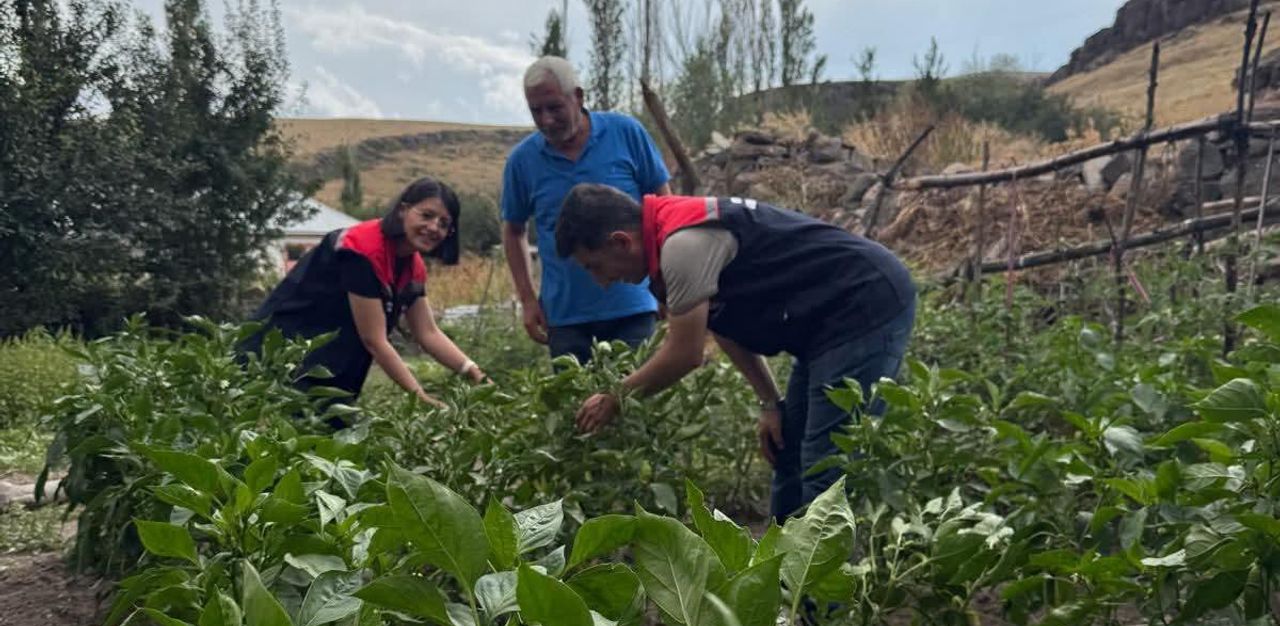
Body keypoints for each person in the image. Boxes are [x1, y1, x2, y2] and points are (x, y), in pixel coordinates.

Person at [555, 185, 916, 523]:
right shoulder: (667, 235)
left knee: (827, 471)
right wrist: (770, 402)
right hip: (825, 321)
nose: (601, 281)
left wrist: (616, 397)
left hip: (864, 303)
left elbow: (685, 353)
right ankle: (779, 567)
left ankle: (825, 571)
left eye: (594, 266)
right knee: (788, 452)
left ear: (621, 241)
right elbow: (723, 323)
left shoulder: (682, 246)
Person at [246, 177, 486, 415]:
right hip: (284, 361)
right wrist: (421, 398)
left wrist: (476, 374)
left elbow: (427, 332)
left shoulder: (412, 267)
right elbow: (374, 340)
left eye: (444, 223)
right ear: (403, 210)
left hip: (332, 373)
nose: (434, 227)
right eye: (426, 215)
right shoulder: (362, 249)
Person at [501, 56, 671, 366]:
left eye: (554, 107)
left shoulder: (626, 133)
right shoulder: (522, 161)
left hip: (633, 304)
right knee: (575, 396)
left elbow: (663, 207)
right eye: (536, 111)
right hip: (565, 315)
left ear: (578, 97)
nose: (546, 120)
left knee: (638, 392)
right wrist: (527, 299)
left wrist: (665, 279)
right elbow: (513, 231)